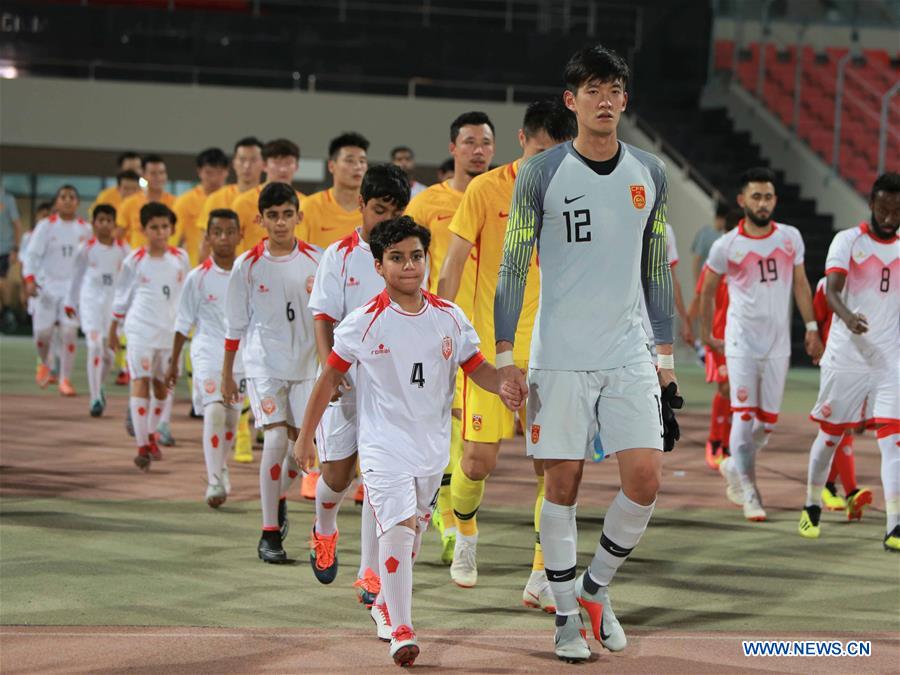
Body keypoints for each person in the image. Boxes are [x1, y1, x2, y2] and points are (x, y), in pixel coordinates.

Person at [494, 45, 681, 662]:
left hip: (628, 353)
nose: (605, 100)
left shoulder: (650, 173)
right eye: (592, 90)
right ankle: (566, 620)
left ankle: (595, 589)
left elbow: (656, 266)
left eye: (615, 89)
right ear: (571, 101)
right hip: (560, 356)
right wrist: (505, 354)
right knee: (564, 485)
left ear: (625, 100)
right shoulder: (541, 173)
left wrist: (666, 359)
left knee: (646, 480)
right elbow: (515, 263)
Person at [293, 216, 522, 667]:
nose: (409, 266)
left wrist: (506, 385)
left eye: (416, 256)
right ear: (379, 265)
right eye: (396, 258)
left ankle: (382, 598)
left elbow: (479, 370)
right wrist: (305, 438)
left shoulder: (450, 318)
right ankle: (402, 629)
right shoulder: (363, 322)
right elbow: (329, 379)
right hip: (382, 447)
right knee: (396, 531)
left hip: (432, 451)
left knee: (412, 536)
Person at [436, 100, 574, 602]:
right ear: (522, 142)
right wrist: (438, 331)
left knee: (552, 465)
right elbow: (451, 265)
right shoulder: (485, 189)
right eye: (541, 154)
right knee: (476, 462)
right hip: (490, 354)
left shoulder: (576, 191)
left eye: (560, 156)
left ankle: (541, 570)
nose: (550, 167)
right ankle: (466, 532)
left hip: (555, 352)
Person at [304, 165, 410, 606]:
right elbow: (324, 319)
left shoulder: (405, 255)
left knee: (378, 479)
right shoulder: (339, 254)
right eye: (378, 210)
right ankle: (323, 528)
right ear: (361, 205)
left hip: (388, 387)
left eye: (394, 212)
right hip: (344, 382)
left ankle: (370, 574)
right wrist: (334, 373)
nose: (385, 221)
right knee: (337, 476)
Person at [700, 167, 824, 522]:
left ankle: (733, 465)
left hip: (778, 345)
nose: (763, 203)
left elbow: (801, 284)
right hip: (740, 343)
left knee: (766, 425)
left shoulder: (790, 238)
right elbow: (708, 290)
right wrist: (709, 333)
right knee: (744, 416)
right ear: (742, 201)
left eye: (768, 196)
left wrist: (812, 326)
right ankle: (749, 490)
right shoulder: (727, 245)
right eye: (756, 196)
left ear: (775, 200)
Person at [405, 111, 496, 563]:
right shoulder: (426, 205)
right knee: (438, 430)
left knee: (471, 442)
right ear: (452, 148)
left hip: (490, 340)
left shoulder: (508, 197)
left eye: (485, 142)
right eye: (469, 142)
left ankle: (452, 518)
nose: (478, 149)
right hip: (434, 334)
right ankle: (438, 516)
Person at [799, 172, 899, 551]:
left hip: (888, 361)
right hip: (846, 358)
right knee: (830, 436)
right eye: (885, 207)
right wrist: (848, 318)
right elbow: (833, 290)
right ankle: (811, 505)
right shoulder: (848, 241)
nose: (891, 216)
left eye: (898, 209)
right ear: (872, 204)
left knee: (893, 444)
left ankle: (894, 526)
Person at [222, 182, 320, 563]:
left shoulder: (318, 260)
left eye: (287, 214)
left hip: (308, 366)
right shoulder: (246, 266)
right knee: (276, 442)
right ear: (260, 219)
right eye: (273, 216)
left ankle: (278, 497)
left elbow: (330, 318)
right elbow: (235, 326)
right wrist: (228, 372)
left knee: (302, 453)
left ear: (299, 216)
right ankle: (268, 534)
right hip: (264, 365)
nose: (280, 223)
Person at [166, 209, 243, 508]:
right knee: (214, 411)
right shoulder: (197, 278)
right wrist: (172, 362)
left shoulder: (247, 273)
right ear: (208, 237)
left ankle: (220, 465)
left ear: (239, 235)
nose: (224, 238)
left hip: (241, 356)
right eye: (217, 232)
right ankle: (213, 480)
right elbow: (183, 322)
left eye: (229, 232)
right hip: (208, 350)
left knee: (232, 417)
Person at [196, 136, 265, 464]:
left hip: (259, 286)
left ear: (262, 164)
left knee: (251, 361)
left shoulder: (268, 198)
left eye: (254, 159)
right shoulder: (220, 198)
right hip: (224, 283)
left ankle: (251, 424)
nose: (248, 165)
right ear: (234, 163)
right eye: (242, 159)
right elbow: (204, 241)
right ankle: (240, 436)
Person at [109, 202, 190, 469]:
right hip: (140, 329)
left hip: (168, 333)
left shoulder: (180, 258)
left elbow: (184, 296)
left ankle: (152, 433)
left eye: (165, 226)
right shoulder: (134, 260)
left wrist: (186, 326)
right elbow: (121, 296)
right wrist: (113, 328)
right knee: (140, 381)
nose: (160, 232)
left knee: (162, 387)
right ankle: (142, 444)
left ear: (172, 228)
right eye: (154, 227)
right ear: (143, 229)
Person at [22, 185, 92, 396]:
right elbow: (32, 256)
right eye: (63, 197)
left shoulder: (85, 229)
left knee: (69, 332)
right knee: (41, 335)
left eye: (72, 197)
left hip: (72, 289)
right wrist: (30, 279)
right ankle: (46, 362)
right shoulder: (46, 226)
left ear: (78, 202)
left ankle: (65, 379)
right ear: (56, 202)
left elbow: (91, 260)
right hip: (47, 287)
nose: (68, 200)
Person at [807, 276, 867, 513]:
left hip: (868, 362)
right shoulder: (825, 284)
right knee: (841, 426)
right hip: (838, 361)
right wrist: (817, 345)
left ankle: (830, 484)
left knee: (852, 426)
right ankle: (850, 491)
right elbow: (818, 318)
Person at [64, 204, 130, 416]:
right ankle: (94, 398)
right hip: (91, 301)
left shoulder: (123, 249)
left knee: (109, 355)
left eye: (108, 220)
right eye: (100, 220)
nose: (104, 224)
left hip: (113, 305)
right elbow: (75, 276)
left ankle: (98, 386)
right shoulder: (86, 248)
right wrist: (70, 302)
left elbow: (131, 280)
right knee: (94, 346)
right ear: (93, 224)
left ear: (114, 223)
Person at [230, 139, 306, 254]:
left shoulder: (306, 203)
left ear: (296, 166)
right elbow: (230, 245)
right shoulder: (243, 202)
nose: (283, 169)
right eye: (277, 162)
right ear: (264, 165)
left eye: (288, 163)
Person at [302, 133, 370, 248]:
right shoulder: (309, 207)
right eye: (350, 161)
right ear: (331, 166)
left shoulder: (374, 210)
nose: (358, 166)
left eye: (362, 161)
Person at [172, 148, 230, 265]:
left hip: (229, 267)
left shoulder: (235, 198)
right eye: (209, 172)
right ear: (199, 171)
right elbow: (173, 238)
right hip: (195, 267)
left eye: (219, 173)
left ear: (227, 172)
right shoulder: (184, 201)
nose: (214, 178)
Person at [116, 155, 177, 248]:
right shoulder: (130, 203)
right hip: (138, 259)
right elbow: (118, 235)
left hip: (167, 258)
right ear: (143, 175)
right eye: (153, 173)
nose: (158, 177)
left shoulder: (176, 203)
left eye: (162, 173)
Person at [691, 202, 729, 283]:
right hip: (707, 278)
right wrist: (698, 282)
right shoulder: (706, 233)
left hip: (714, 280)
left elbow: (696, 260)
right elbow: (697, 260)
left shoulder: (705, 232)